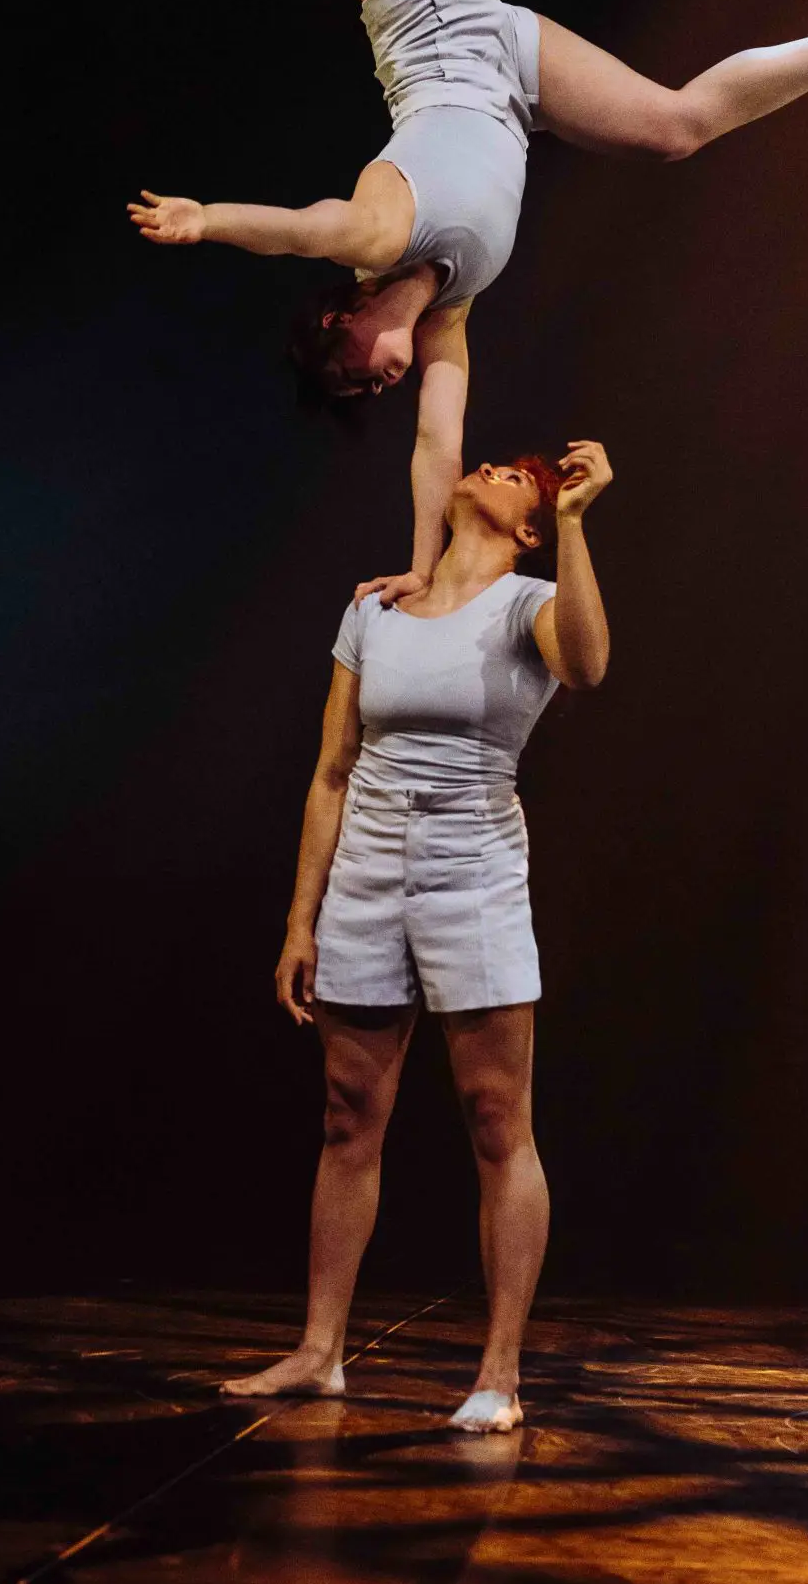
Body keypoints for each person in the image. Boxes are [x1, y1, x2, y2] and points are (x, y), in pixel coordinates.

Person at [55, 0, 808, 603]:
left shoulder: (376, 236)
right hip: (516, 76)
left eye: (353, 375)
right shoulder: (450, 312)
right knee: (673, 127)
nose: (379, 386)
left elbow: (301, 225)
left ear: (342, 318)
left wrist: (206, 218)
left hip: (435, 25)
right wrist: (420, 570)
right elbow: (435, 450)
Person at [217, 435, 613, 1433]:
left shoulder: (527, 604)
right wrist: (301, 918)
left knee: (495, 1120)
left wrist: (570, 522)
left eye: (518, 474)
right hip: (365, 877)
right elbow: (332, 770)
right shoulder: (374, 609)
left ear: (526, 524)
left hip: (472, 871)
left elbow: (592, 666)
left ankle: (501, 1371)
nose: (491, 465)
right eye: (500, 463)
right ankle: (319, 1352)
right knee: (350, 1115)